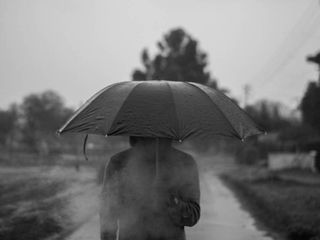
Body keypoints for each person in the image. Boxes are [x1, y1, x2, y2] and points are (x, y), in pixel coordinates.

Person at [100, 137, 200, 240]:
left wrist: (172, 201)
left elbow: (193, 216)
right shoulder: (119, 162)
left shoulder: (184, 162)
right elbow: (108, 213)